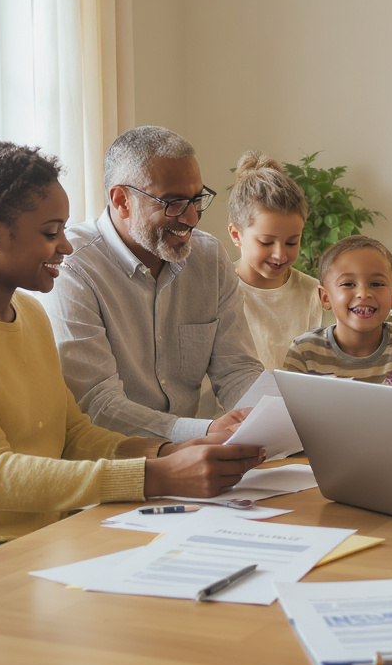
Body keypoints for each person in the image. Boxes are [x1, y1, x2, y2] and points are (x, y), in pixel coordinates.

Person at [0, 141, 263, 591]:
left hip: (43, 540)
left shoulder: (30, 314)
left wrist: (172, 453)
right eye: (49, 232)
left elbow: (74, 436)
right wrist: (156, 476)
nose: (65, 245)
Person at [45, 127, 263, 444]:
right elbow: (97, 405)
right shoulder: (74, 267)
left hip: (202, 452)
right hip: (120, 461)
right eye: (173, 203)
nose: (191, 218)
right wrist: (202, 432)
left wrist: (270, 418)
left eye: (196, 199)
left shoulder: (208, 256)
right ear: (121, 200)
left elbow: (237, 370)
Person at [283, 235, 392, 394]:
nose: (363, 294)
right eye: (348, 284)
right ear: (325, 297)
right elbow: (287, 412)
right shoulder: (304, 351)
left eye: (376, 284)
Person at [227, 151, 323, 370]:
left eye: (291, 242)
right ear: (236, 235)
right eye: (266, 242)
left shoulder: (310, 291)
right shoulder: (222, 291)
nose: (280, 255)